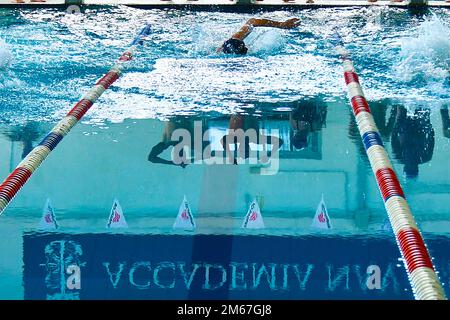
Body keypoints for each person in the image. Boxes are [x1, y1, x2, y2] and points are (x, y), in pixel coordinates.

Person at [391, 106, 435, 179]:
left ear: (405, 167)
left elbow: (394, 139)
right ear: (417, 169)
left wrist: (398, 122)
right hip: (419, 129)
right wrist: (428, 125)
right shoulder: (425, 157)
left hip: (406, 129)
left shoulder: (399, 156)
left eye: (409, 168)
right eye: (412, 168)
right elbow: (431, 140)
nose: (411, 165)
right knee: (423, 107)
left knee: (402, 108)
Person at [217, 18, 300, 55]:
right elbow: (252, 21)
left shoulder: (233, 41)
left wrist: (282, 24)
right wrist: (281, 25)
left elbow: (252, 22)